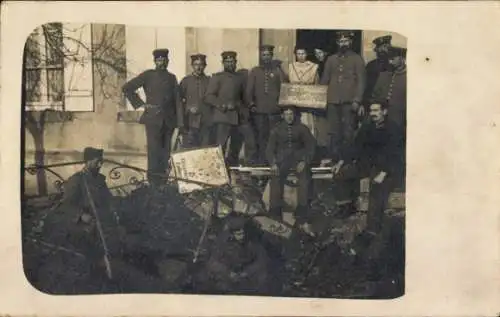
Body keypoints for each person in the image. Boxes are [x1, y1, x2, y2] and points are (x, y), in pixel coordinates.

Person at [331, 101, 404, 237]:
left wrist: (383, 173)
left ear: (384, 112)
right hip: (367, 164)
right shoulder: (367, 127)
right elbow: (355, 146)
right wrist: (341, 162)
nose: (373, 114)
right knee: (341, 174)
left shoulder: (393, 129)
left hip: (386, 168)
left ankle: (372, 230)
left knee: (376, 188)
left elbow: (395, 155)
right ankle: (347, 207)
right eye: (371, 111)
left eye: (376, 111)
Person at [122, 48, 184, 187]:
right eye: (159, 60)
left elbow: (177, 101)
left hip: (169, 121)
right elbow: (127, 88)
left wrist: (180, 123)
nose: (162, 63)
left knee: (165, 152)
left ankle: (163, 183)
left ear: (168, 61)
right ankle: (153, 184)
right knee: (154, 152)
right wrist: (141, 104)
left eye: (164, 60)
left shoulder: (172, 77)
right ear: (155, 61)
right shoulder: (148, 75)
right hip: (153, 120)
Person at [266, 105, 316, 233]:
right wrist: (273, 163)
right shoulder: (276, 130)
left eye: (291, 114)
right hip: (282, 160)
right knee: (276, 177)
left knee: (304, 177)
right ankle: (275, 212)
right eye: (286, 114)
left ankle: (302, 212)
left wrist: (304, 161)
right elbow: (270, 149)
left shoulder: (302, 129)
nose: (289, 116)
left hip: (297, 159)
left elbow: (311, 146)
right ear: (282, 116)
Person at [320, 31, 366, 168]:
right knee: (334, 132)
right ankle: (334, 158)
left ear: (350, 42)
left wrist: (357, 100)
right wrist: (321, 99)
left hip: (349, 102)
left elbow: (361, 82)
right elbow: (324, 81)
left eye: (346, 41)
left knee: (348, 132)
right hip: (333, 101)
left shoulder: (357, 59)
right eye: (340, 41)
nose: (343, 43)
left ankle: (347, 160)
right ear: (337, 43)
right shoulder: (331, 59)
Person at [198, 214, 270, 295]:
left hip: (247, 277)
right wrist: (228, 273)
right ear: (232, 234)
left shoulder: (251, 241)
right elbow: (212, 262)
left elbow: (262, 259)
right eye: (239, 234)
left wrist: (246, 272)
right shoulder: (222, 241)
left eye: (243, 233)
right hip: (227, 276)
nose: (242, 236)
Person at [246, 45, 287, 165]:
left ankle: (274, 163)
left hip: (274, 112)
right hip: (259, 112)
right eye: (264, 55)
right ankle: (262, 164)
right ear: (260, 56)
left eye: (268, 55)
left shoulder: (277, 71)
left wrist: (281, 107)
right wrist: (251, 105)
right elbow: (249, 91)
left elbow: (284, 88)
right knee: (261, 138)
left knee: (274, 138)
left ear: (272, 56)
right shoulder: (255, 71)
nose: (266, 57)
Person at [179, 54, 212, 148]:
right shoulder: (186, 81)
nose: (199, 67)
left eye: (201, 64)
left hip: (206, 121)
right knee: (190, 149)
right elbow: (179, 100)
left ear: (205, 66)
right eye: (196, 64)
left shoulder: (209, 80)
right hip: (190, 121)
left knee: (205, 149)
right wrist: (188, 108)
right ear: (192, 66)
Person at [363, 35, 392, 105]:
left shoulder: (393, 65)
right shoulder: (370, 65)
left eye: (386, 47)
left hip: (390, 103)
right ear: (376, 49)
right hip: (372, 103)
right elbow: (365, 86)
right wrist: (363, 103)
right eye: (381, 47)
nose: (383, 49)